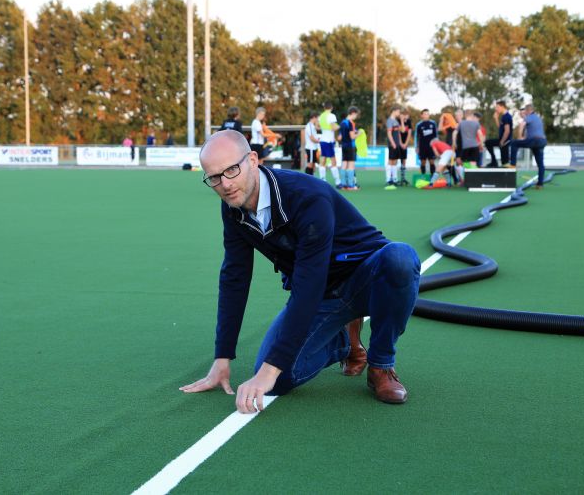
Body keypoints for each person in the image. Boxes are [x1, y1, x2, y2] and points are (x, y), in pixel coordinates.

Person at [180, 130, 421, 410]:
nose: (225, 184)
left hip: (366, 280)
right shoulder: (233, 208)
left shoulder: (306, 195)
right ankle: (343, 341)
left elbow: (309, 283)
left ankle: (380, 365)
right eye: (214, 178)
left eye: (232, 170)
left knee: (400, 258)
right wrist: (222, 358)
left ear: (253, 160)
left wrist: (270, 368)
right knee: (279, 381)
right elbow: (235, 277)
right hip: (324, 294)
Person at [509, 104, 547, 188]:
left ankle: (513, 164)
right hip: (542, 141)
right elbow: (532, 132)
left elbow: (521, 125)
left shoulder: (529, 117)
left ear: (527, 111)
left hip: (534, 141)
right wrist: (524, 138)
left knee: (514, 143)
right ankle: (540, 184)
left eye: (525, 111)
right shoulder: (538, 118)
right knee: (540, 163)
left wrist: (519, 137)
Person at [318, 101, 344, 189]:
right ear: (331, 108)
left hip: (323, 140)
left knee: (323, 160)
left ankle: (322, 180)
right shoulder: (331, 116)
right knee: (333, 161)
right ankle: (338, 182)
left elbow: (317, 126)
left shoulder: (321, 116)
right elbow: (333, 127)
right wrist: (341, 126)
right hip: (329, 141)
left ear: (324, 107)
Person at [453, 111, 484, 182]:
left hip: (465, 147)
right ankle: (475, 180)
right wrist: (481, 144)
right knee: (473, 163)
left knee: (464, 163)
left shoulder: (461, 123)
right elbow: (480, 134)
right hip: (475, 146)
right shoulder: (476, 123)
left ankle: (466, 179)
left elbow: (454, 133)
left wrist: (454, 143)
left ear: (464, 115)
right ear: (472, 115)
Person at [338, 106, 361, 190]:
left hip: (344, 146)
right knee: (351, 166)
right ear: (353, 113)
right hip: (350, 146)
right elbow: (352, 137)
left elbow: (339, 137)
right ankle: (351, 185)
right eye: (356, 115)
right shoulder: (350, 123)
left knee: (344, 164)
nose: (356, 117)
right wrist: (359, 133)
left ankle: (343, 185)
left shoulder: (342, 123)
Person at [485, 100, 513, 168]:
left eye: (497, 107)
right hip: (502, 140)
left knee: (505, 163)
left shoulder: (507, 116)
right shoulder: (503, 116)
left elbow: (507, 131)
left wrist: (502, 141)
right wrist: (496, 118)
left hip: (505, 141)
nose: (496, 109)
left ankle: (496, 162)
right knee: (488, 142)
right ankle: (494, 161)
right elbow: (500, 128)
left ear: (502, 107)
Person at [415, 109, 438, 177]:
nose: (426, 115)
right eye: (425, 114)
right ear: (421, 115)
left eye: (427, 114)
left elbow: (436, 136)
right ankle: (423, 176)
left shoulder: (433, 123)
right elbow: (417, 137)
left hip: (431, 147)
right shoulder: (419, 125)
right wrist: (417, 147)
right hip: (422, 147)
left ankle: (432, 177)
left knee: (432, 161)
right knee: (423, 162)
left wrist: (436, 146)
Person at [385, 105, 403, 187]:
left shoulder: (396, 121)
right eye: (398, 111)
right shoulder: (390, 121)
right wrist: (393, 143)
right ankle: (388, 179)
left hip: (397, 144)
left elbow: (402, 131)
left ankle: (395, 179)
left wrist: (401, 120)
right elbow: (389, 133)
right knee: (391, 160)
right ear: (394, 111)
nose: (399, 113)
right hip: (393, 144)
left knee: (395, 161)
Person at [397, 111, 413, 186]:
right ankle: (393, 178)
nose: (405, 116)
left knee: (404, 160)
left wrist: (406, 144)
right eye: (404, 115)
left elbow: (409, 133)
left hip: (405, 144)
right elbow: (399, 133)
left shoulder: (409, 122)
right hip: (398, 143)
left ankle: (403, 178)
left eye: (407, 115)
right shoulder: (398, 121)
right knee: (396, 159)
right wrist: (400, 143)